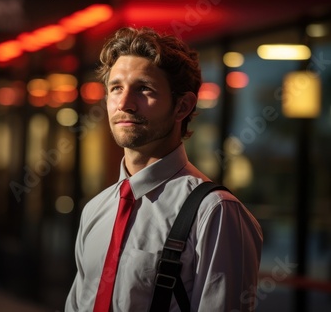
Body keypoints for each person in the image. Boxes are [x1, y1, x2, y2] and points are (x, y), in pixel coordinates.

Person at [65, 27, 263, 311]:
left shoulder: (215, 212)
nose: (124, 104)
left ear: (182, 106)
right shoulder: (96, 209)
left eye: (144, 89)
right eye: (116, 88)